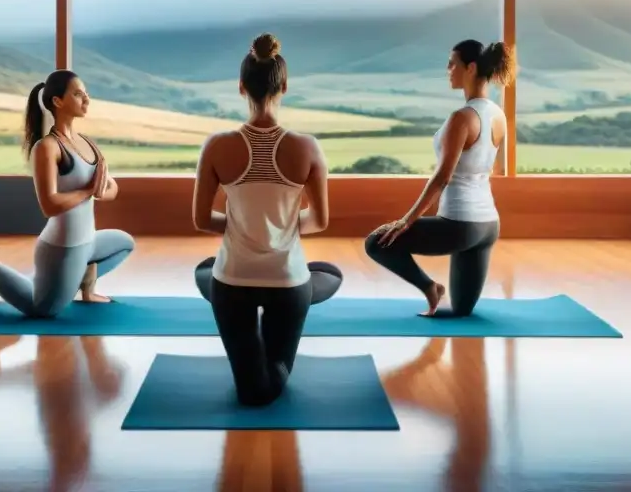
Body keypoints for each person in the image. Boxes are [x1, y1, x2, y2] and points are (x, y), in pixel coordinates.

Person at [191, 33, 341, 406]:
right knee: (268, 386)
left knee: (250, 392)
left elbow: (200, 219)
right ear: (285, 86)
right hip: (288, 284)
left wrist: (245, 226)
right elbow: (320, 220)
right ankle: (312, 287)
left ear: (241, 88)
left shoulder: (217, 145)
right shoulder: (307, 147)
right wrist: (280, 228)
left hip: (231, 284)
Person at [365, 39, 515, 317]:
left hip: (459, 226)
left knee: (376, 243)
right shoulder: (498, 114)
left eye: (452, 63)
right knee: (462, 312)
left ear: (470, 68)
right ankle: (437, 291)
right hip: (488, 226)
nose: (448, 69)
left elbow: (442, 177)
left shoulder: (462, 118)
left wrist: (406, 220)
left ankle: (429, 287)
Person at [0, 69, 136, 316]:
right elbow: (49, 205)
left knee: (124, 243)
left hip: (88, 242)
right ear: (58, 101)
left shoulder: (87, 143)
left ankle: (86, 286)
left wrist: (99, 191)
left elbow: (111, 187)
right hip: (63, 247)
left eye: (86, 94)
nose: (86, 99)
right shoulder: (47, 147)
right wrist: (88, 191)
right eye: (78, 94)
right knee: (43, 310)